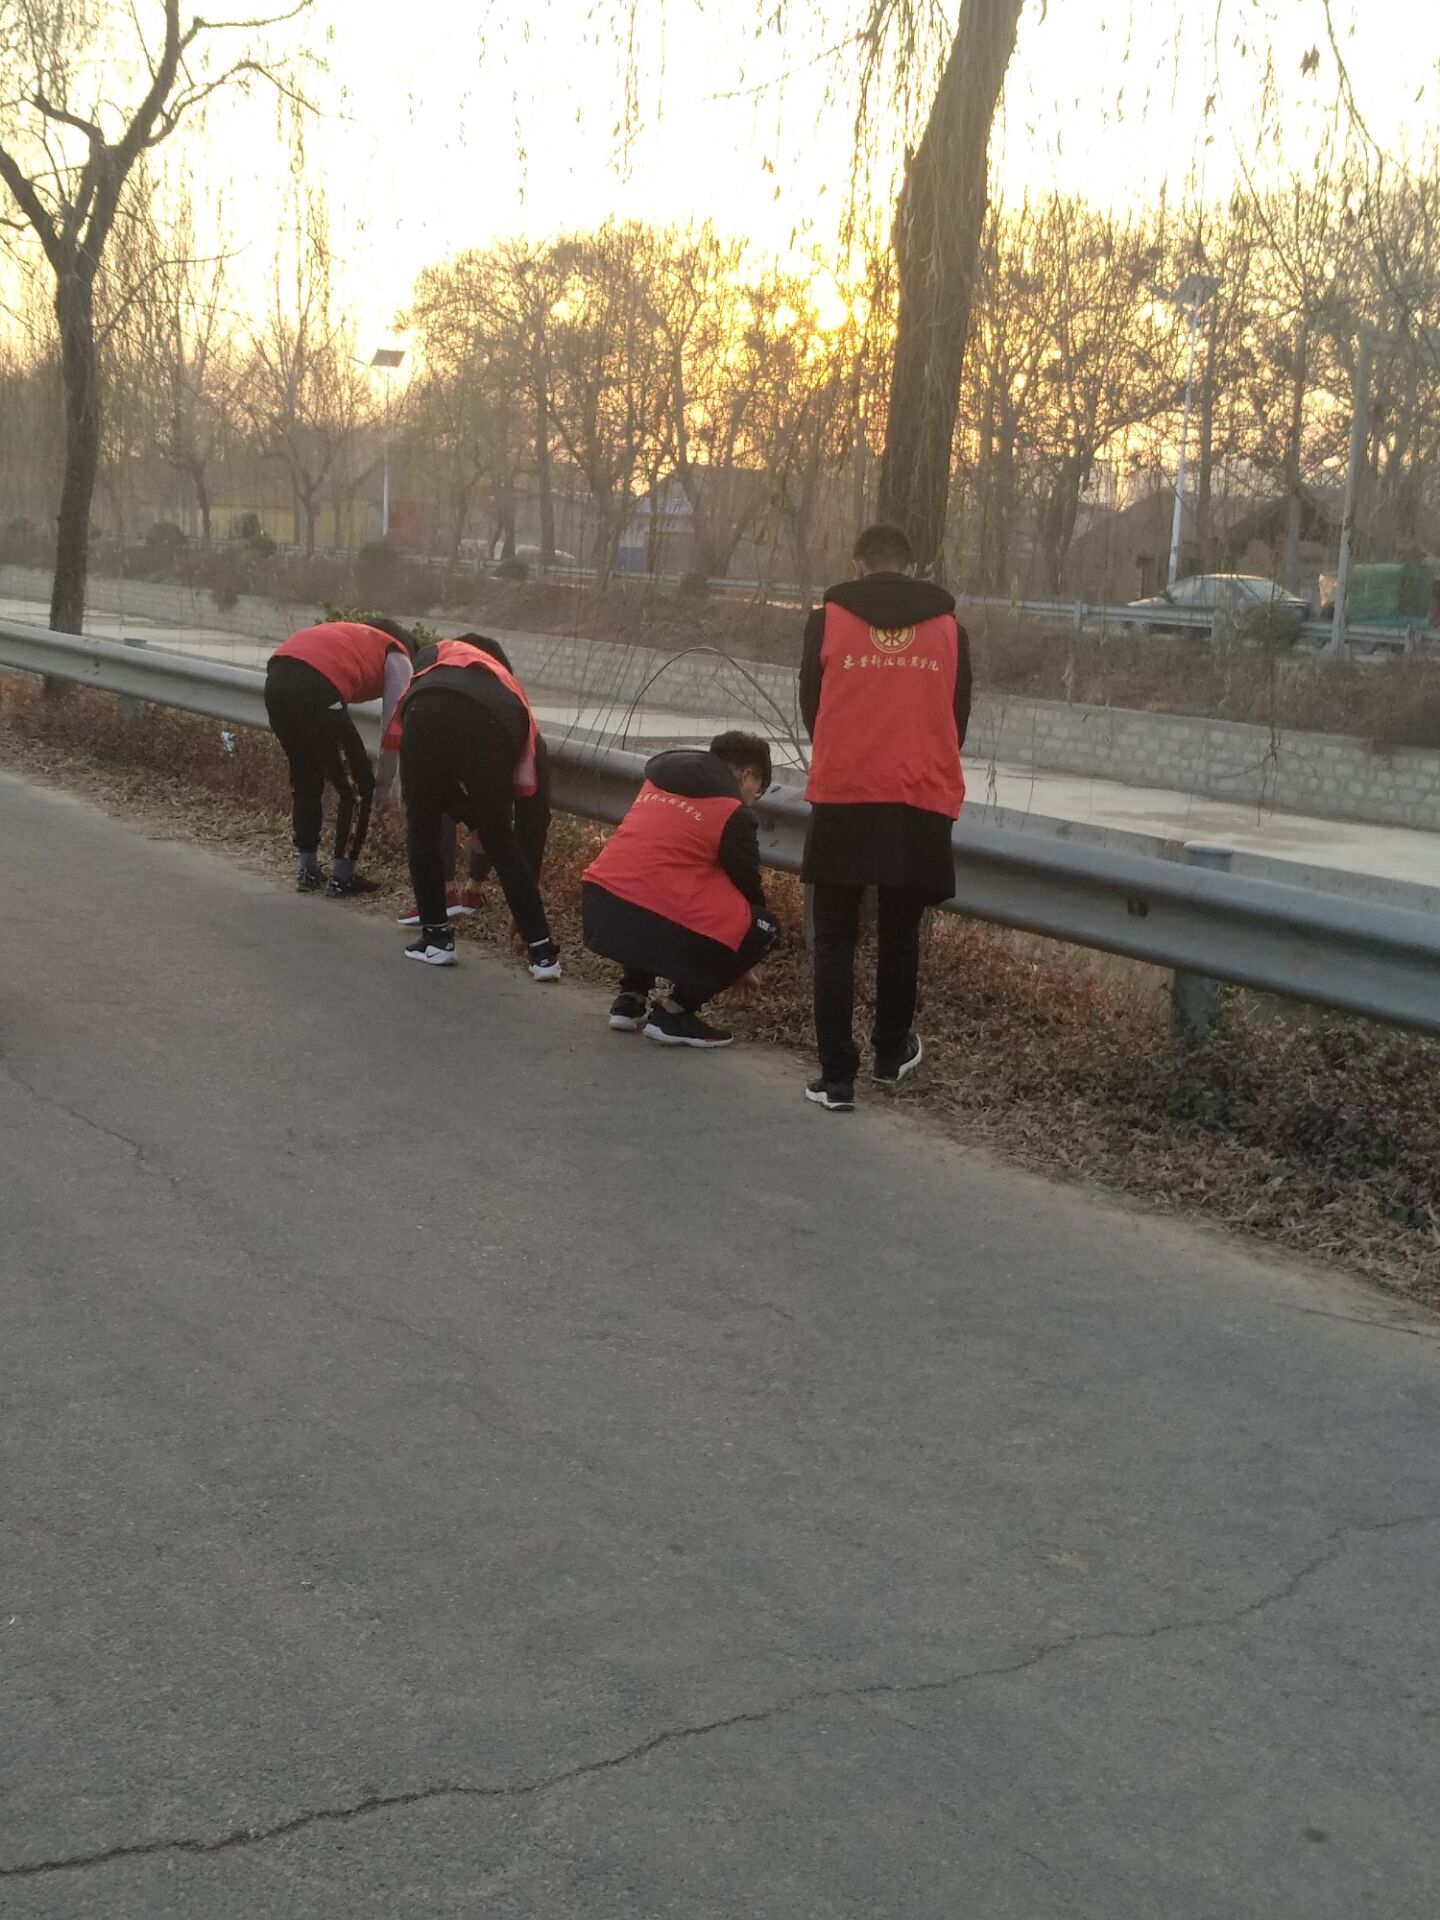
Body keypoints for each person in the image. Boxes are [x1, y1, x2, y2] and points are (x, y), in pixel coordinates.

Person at [799, 522, 971, 1111]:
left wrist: (850, 748)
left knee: (835, 936)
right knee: (901, 932)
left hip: (845, 792)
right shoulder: (950, 629)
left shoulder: (826, 620)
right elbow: (956, 719)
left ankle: (836, 1078)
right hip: (918, 796)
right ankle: (890, 1054)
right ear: (913, 567)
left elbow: (812, 707)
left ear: (858, 564)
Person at [581, 731, 780, 1048]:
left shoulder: (658, 781)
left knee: (652, 883)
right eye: (759, 789)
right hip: (646, 914)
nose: (754, 798)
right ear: (747, 776)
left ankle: (631, 997)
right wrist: (741, 960)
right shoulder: (732, 812)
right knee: (765, 925)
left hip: (599, 906)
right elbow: (749, 889)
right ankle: (675, 1012)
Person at [383, 633, 559, 977]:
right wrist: (483, 824)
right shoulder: (511, 694)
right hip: (494, 724)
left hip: (425, 707)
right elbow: (534, 814)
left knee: (422, 825)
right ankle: (543, 955)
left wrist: (467, 816)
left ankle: (436, 940)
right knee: (500, 837)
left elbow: (440, 781)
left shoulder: (438, 653)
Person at [263, 616, 415, 896]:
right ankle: (341, 877)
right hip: (315, 685)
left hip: (276, 680)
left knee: (306, 776)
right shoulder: (398, 656)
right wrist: (384, 787)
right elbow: (394, 728)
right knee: (359, 788)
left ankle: (307, 871)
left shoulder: (351, 634)